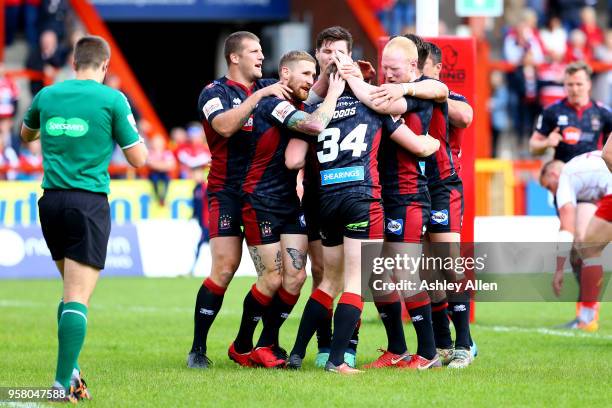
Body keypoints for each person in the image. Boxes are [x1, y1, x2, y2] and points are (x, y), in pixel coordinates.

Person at [286, 59, 439, 374]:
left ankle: (296, 354)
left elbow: (294, 158)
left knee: (329, 281)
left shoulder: (319, 113)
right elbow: (416, 146)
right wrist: (430, 143)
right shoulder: (373, 108)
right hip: (361, 198)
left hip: (326, 200)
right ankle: (337, 361)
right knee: (355, 282)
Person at [20, 35, 147, 401]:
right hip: (87, 202)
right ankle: (61, 386)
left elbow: (26, 134)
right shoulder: (111, 98)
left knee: (68, 291)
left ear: (73, 63)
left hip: (50, 202)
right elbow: (137, 159)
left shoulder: (47, 95)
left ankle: (72, 372)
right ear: (105, 67)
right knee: (77, 297)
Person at [229, 51, 345, 368]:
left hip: (289, 203)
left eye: (313, 74)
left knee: (295, 277)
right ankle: (241, 346)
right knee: (271, 278)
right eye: (305, 74)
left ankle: (266, 343)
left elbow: (311, 105)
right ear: (285, 74)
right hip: (260, 200)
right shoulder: (272, 102)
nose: (310, 80)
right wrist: (333, 95)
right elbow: (313, 124)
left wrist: (332, 74)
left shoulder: (296, 103)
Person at [187, 31, 292, 369]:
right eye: (254, 51)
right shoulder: (213, 93)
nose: (262, 56)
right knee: (225, 267)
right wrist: (258, 97)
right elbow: (224, 126)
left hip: (265, 195)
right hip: (227, 193)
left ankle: (252, 344)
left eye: (262, 50)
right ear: (234, 57)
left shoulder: (272, 87)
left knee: (279, 275)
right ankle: (198, 349)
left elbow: (308, 91)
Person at [540, 150, 611, 331]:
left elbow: (567, 229)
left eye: (549, 187)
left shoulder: (566, 176)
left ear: (553, 174)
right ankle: (587, 317)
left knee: (589, 249)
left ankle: (587, 317)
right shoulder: (585, 173)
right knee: (588, 245)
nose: (552, 193)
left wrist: (558, 270)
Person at [529, 62, 612, 162]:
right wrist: (546, 143)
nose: (574, 89)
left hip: (593, 171)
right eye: (570, 84)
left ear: (589, 84)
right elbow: (533, 147)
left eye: (579, 84)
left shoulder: (603, 112)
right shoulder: (551, 111)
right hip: (563, 171)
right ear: (564, 85)